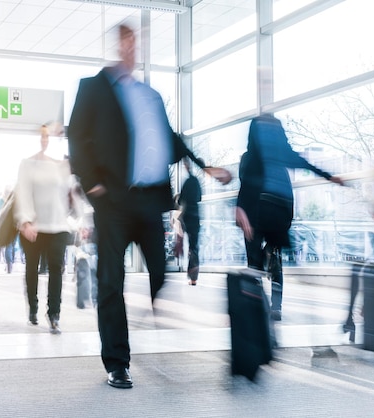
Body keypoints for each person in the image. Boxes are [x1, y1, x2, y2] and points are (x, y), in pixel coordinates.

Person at [67, 23, 232, 389]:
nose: (130, 48)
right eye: (124, 42)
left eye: (135, 43)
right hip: (112, 199)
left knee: (160, 270)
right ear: (115, 46)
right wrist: (90, 182)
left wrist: (205, 167)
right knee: (111, 281)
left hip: (148, 198)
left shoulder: (149, 96)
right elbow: (76, 133)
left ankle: (150, 308)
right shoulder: (94, 87)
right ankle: (117, 362)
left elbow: (171, 141)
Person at [235, 113, 344, 322]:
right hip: (281, 210)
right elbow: (304, 164)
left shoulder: (249, 157)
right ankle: (276, 306)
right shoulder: (282, 153)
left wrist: (240, 209)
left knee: (253, 262)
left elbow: (246, 184)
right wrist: (329, 176)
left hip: (257, 209)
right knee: (276, 257)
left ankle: (257, 304)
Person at [14, 124, 81, 334]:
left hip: (58, 226)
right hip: (33, 227)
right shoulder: (28, 164)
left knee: (56, 269)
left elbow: (74, 194)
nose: (47, 140)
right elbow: (22, 193)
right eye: (43, 136)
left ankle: (54, 314)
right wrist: (25, 222)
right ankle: (33, 308)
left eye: (50, 136)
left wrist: (82, 222)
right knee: (32, 269)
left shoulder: (64, 166)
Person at [178, 157, 203, 285]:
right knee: (194, 247)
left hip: (187, 216)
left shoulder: (187, 182)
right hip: (195, 216)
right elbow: (199, 197)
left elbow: (180, 200)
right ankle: (193, 278)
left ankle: (191, 275)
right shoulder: (196, 181)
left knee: (184, 242)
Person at [0, 185, 16, 274]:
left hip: (5, 227)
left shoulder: (0, 202)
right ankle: (9, 265)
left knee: (8, 247)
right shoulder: (13, 202)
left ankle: (9, 265)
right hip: (13, 227)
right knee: (10, 247)